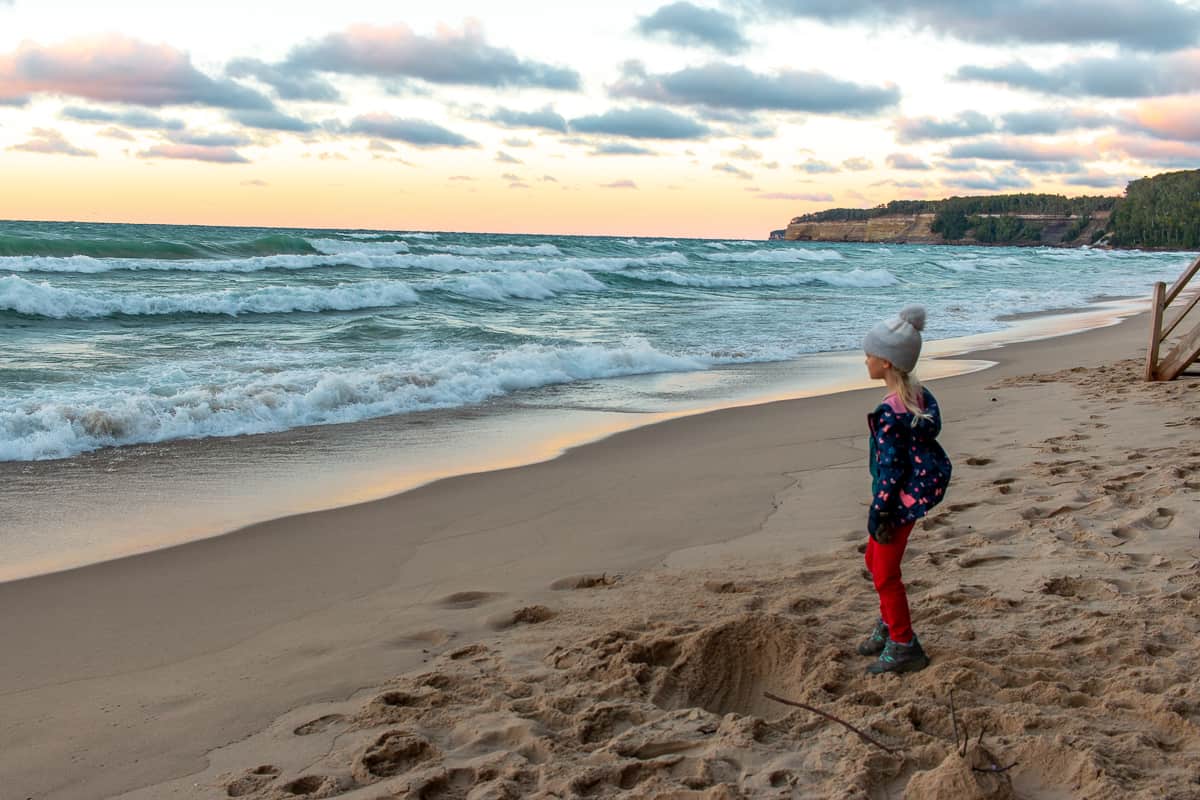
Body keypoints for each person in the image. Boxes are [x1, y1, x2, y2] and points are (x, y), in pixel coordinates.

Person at [858, 305, 952, 675]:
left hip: (899, 499)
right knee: (873, 560)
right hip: (916, 491)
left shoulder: (891, 413)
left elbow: (891, 469)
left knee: (885, 574)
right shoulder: (917, 396)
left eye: (869, 355)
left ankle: (903, 644)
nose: (864, 360)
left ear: (885, 362)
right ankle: (888, 624)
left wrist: (880, 510)